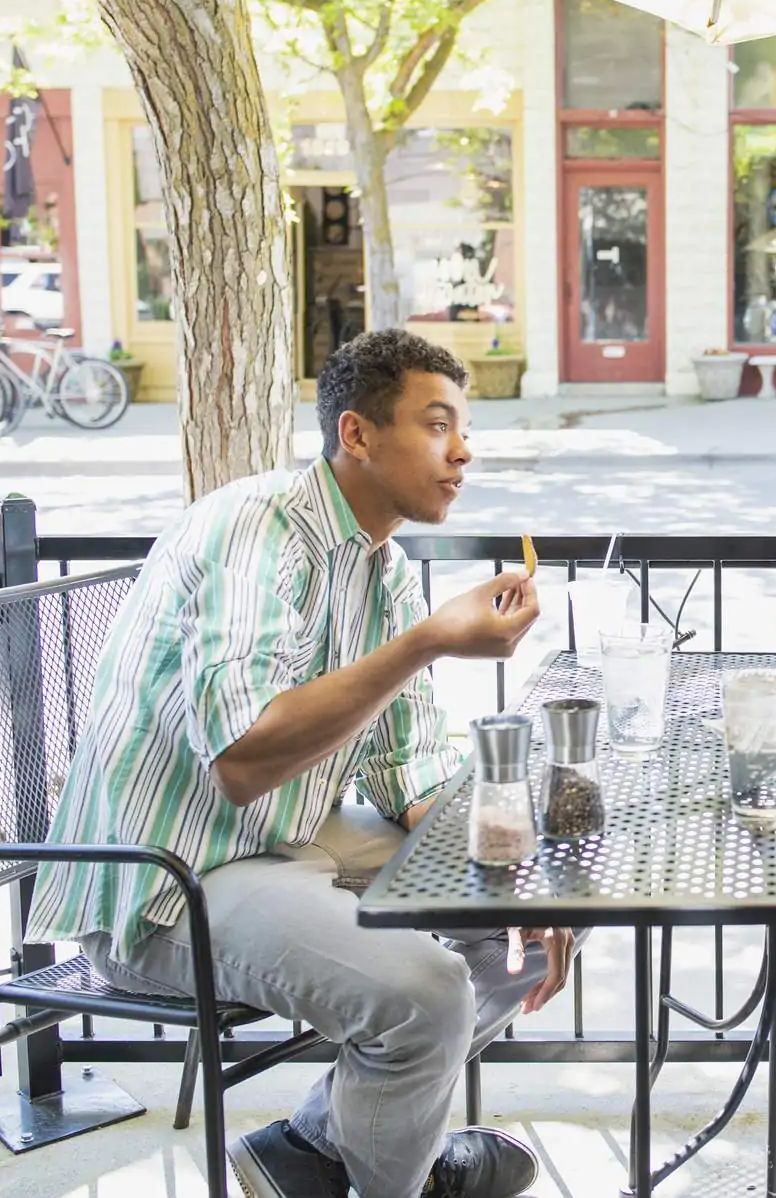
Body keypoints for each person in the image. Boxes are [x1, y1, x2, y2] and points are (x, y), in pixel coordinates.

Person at [27, 330, 564, 1198]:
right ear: (357, 434)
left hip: (284, 838)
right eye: (437, 425)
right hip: (170, 876)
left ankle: (312, 1151)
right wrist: (427, 642)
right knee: (424, 992)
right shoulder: (255, 529)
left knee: (524, 932)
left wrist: (519, 879)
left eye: (462, 428)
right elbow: (242, 759)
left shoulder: (380, 566)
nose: (462, 450)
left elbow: (411, 780)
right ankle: (405, 1180)